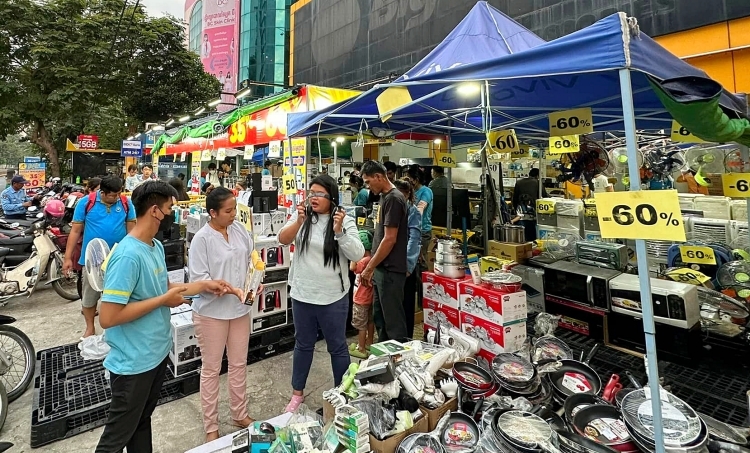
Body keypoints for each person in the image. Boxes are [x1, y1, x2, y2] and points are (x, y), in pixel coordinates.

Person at [94, 180, 232, 452]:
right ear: (156, 211)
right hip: (133, 363)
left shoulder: (154, 246)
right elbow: (108, 317)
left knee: (141, 422)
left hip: (154, 355)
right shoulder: (127, 256)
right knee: (117, 436)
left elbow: (164, 289)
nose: (173, 214)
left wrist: (203, 286)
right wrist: (162, 301)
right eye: (171, 208)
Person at [278, 175, 364, 413]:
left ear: (332, 197)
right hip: (303, 294)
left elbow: (357, 254)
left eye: (319, 194)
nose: (313, 197)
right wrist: (298, 222)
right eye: (311, 192)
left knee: (337, 347)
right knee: (302, 345)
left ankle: (342, 392)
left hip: (332, 297)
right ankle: (297, 394)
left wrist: (339, 232)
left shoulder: (343, 221)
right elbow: (282, 239)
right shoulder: (302, 216)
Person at [189, 188, 256, 443]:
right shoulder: (202, 240)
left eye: (234, 210)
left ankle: (240, 413)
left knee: (239, 364)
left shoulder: (239, 230)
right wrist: (228, 289)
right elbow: (199, 281)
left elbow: (251, 259)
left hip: (240, 309)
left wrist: (254, 281)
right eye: (228, 211)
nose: (233, 215)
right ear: (212, 213)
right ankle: (211, 426)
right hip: (211, 313)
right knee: (211, 369)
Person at [63, 175, 136, 338]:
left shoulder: (125, 203)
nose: (117, 197)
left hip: (118, 259)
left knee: (118, 297)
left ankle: (115, 330)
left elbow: (132, 231)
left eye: (119, 193)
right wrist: (68, 258)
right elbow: (75, 231)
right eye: (113, 195)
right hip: (92, 260)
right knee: (89, 297)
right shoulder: (85, 203)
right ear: (102, 192)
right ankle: (90, 327)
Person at [360, 161, 409, 342]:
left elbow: (389, 239)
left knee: (393, 323)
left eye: (367, 181)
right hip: (382, 269)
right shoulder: (384, 197)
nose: (367, 186)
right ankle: (383, 362)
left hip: (391, 270)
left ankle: (401, 363)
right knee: (381, 319)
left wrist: (369, 267)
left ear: (379, 177)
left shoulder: (394, 199)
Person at [393, 179, 423, 339]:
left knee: (406, 305)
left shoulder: (413, 212)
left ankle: (406, 340)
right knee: (396, 306)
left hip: (405, 267)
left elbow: (414, 239)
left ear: (407, 194)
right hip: (393, 264)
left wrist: (408, 265)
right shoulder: (393, 209)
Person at [348, 230, 374, 359]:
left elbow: (352, 268)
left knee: (361, 326)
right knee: (370, 321)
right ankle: (370, 342)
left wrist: (354, 253)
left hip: (360, 299)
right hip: (370, 299)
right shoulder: (372, 260)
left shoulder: (363, 261)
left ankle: (361, 348)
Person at [405, 165, 434, 266]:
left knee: (420, 260)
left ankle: (422, 281)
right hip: (410, 230)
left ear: (416, 179)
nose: (408, 182)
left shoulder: (426, 191)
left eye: (409, 179)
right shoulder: (410, 191)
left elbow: (421, 208)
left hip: (422, 231)